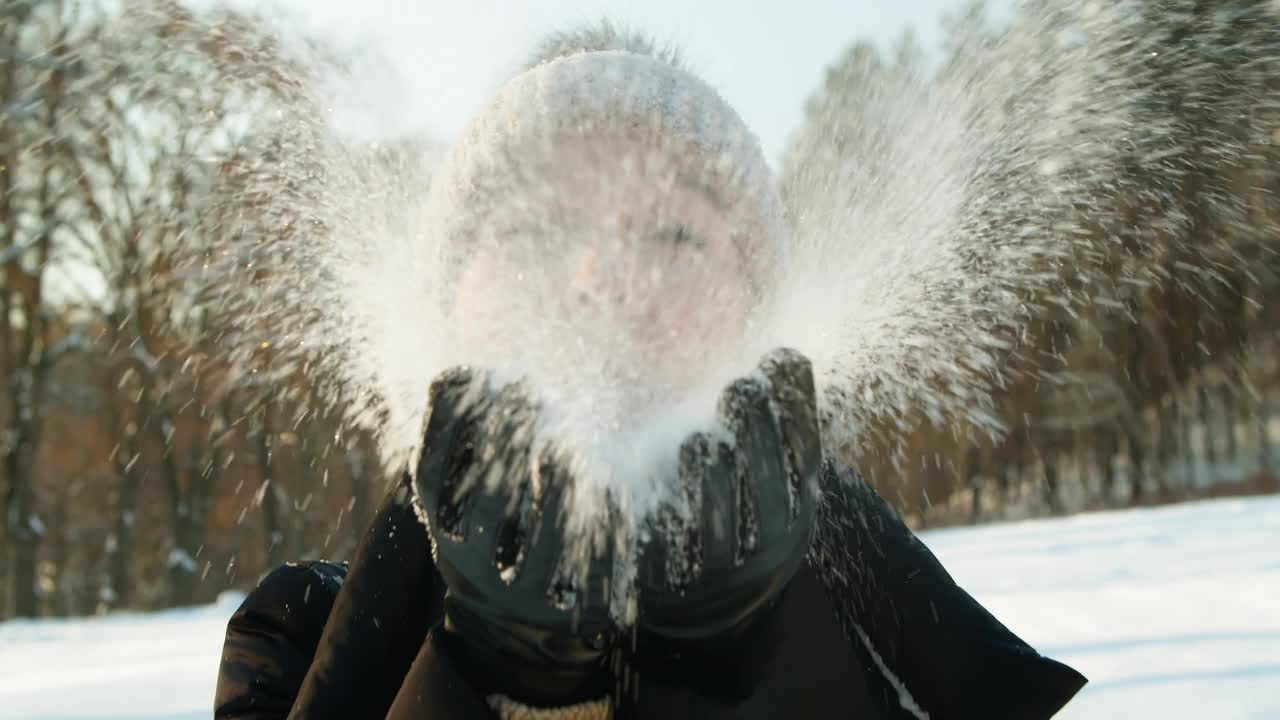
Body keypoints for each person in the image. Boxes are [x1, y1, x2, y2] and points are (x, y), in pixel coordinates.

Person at [215, 24, 1087, 720]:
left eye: (674, 235)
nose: (602, 282)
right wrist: (488, 680)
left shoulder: (906, 643)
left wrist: (743, 662)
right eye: (535, 233)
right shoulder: (295, 640)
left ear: (755, 317)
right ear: (451, 317)